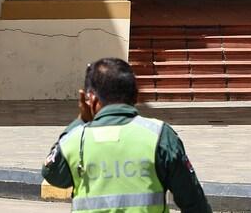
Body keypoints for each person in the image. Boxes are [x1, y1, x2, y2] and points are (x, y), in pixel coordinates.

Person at [42, 57, 212, 213]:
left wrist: (81, 119)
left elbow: (53, 175)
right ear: (136, 96)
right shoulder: (160, 135)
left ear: (91, 99)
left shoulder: (75, 139)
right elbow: (194, 202)